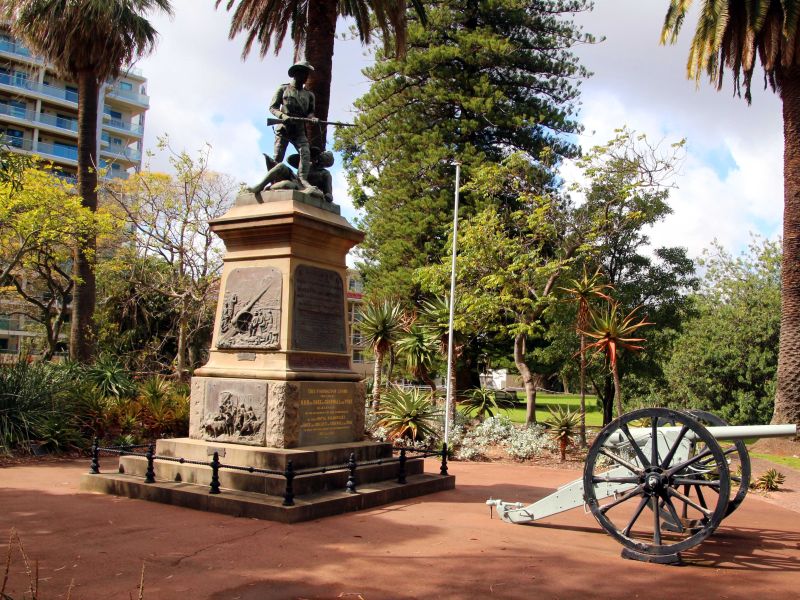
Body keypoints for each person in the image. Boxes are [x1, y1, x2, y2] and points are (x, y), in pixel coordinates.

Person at [269, 61, 317, 187]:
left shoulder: (309, 95)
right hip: (284, 128)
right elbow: (272, 107)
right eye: (304, 74)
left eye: (307, 74)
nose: (306, 77)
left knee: (305, 153)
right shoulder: (283, 89)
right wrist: (282, 116)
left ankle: (302, 179)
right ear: (296, 74)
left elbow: (310, 112)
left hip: (299, 130)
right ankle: (272, 180)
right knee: (278, 157)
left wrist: (312, 118)